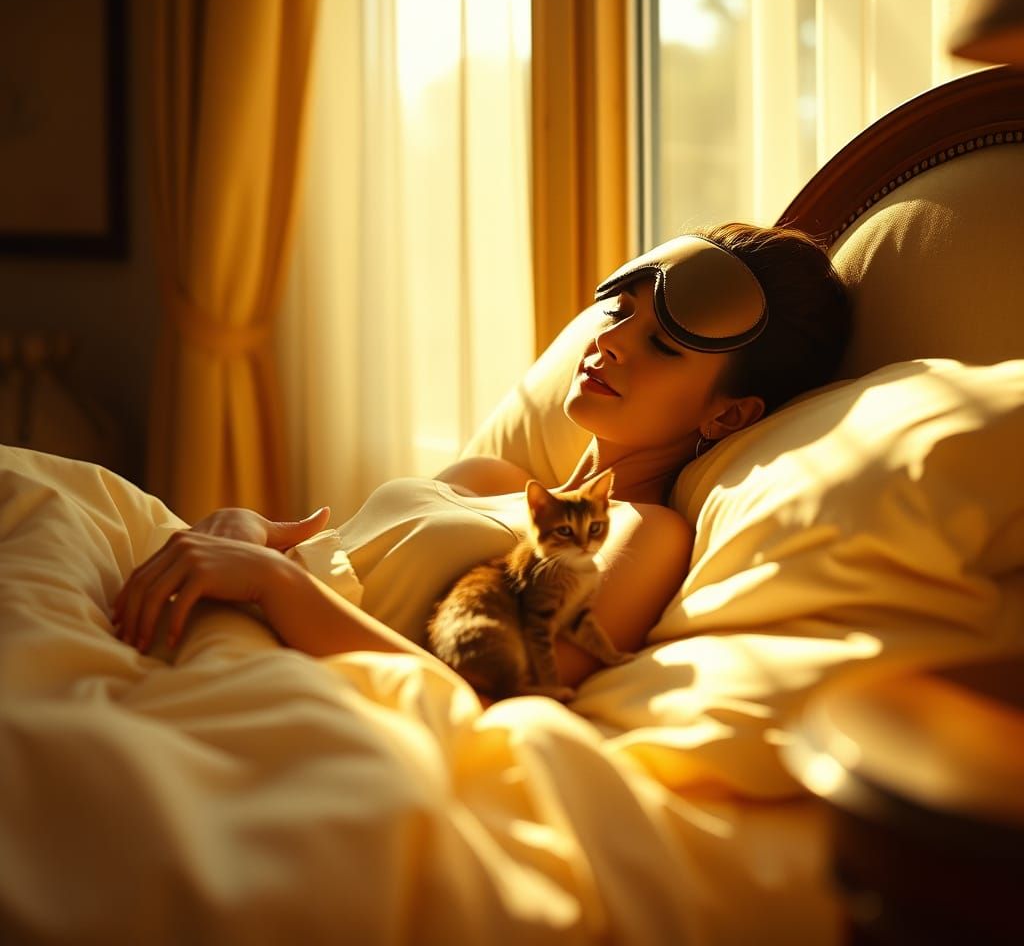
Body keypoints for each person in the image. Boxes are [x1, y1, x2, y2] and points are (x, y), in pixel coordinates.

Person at [113, 222, 850, 690]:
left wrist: (275, 584)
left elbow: (500, 689)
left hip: (268, 687)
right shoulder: (489, 478)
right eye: (623, 313)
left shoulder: (644, 534)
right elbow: (323, 557)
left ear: (729, 413)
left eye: (660, 344)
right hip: (187, 632)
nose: (610, 341)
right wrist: (247, 527)